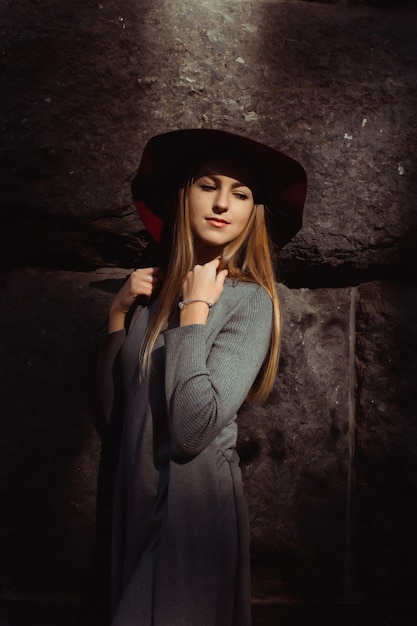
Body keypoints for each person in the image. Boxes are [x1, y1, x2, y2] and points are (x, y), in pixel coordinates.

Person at [97, 128, 307, 626]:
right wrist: (117, 315)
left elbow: (192, 431)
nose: (221, 203)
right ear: (182, 195)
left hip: (192, 515)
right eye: (207, 185)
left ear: (252, 213)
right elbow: (114, 419)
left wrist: (194, 311)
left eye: (240, 194)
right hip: (138, 505)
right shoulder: (156, 297)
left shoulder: (251, 299)